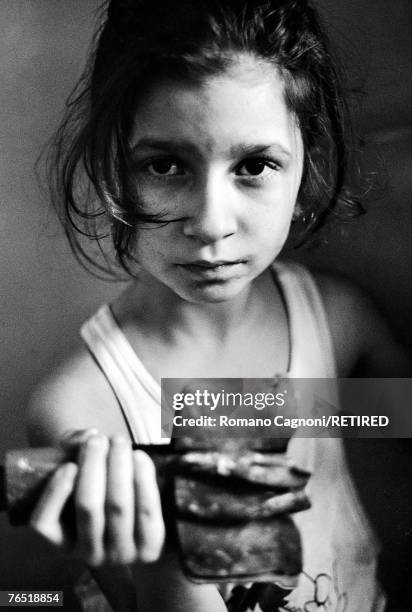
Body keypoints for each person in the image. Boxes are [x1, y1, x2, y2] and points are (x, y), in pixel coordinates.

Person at [26, 0, 410, 610]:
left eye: (255, 165)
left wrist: (300, 406)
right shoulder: (83, 406)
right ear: (110, 166)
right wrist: (163, 544)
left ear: (304, 160)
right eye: (166, 164)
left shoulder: (338, 322)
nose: (210, 224)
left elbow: (390, 421)